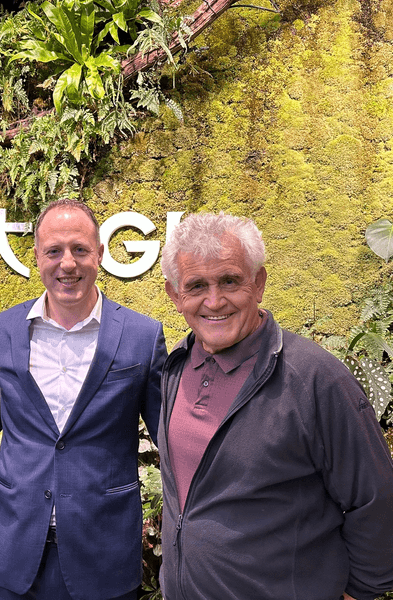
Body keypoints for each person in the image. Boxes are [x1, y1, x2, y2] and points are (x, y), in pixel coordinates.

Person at [158, 212, 393, 600]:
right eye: (196, 285)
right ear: (174, 295)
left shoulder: (315, 378)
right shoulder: (177, 366)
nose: (214, 301)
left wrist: (359, 593)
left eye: (230, 281)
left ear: (259, 283)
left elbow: (377, 498)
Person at [0, 199, 167, 600]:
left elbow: (167, 436)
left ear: (99, 254)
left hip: (102, 549)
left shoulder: (142, 336)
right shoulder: (2, 331)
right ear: (37, 257)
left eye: (80, 249)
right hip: (13, 548)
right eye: (54, 251)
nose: (67, 263)